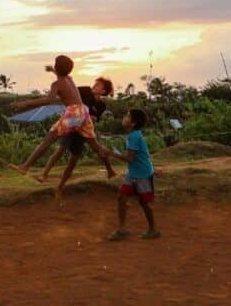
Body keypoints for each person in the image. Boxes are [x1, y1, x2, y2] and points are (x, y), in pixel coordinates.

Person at [9, 55, 110, 177]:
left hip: (73, 113)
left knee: (48, 140)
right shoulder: (70, 78)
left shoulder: (56, 84)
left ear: (57, 68)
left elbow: (48, 100)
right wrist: (52, 70)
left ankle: (25, 166)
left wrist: (25, 103)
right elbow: (62, 73)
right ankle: (110, 167)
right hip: (84, 111)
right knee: (95, 145)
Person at [37, 77, 117, 198]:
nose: (95, 85)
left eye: (99, 85)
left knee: (74, 160)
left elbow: (94, 119)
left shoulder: (101, 105)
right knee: (60, 150)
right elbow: (70, 90)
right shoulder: (85, 91)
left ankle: (60, 187)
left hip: (84, 131)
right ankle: (44, 174)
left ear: (104, 91)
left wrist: (84, 113)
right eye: (95, 83)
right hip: (72, 126)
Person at [107, 108, 160, 241]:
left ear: (133, 123)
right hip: (133, 173)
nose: (124, 118)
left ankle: (153, 229)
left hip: (142, 174)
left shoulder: (134, 136)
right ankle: (122, 229)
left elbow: (129, 158)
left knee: (144, 203)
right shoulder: (133, 135)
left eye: (127, 116)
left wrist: (112, 154)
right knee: (121, 197)